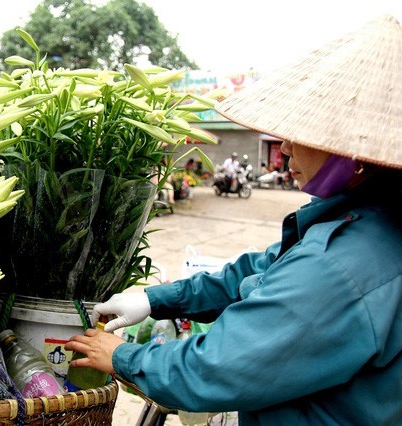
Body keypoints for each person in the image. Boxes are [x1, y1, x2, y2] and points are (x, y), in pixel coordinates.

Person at [65, 14, 402, 425]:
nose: (286, 148)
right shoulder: (367, 222)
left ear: (355, 149)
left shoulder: (343, 263)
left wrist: (120, 355)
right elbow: (261, 270)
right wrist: (154, 300)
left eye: (301, 134)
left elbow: (215, 368)